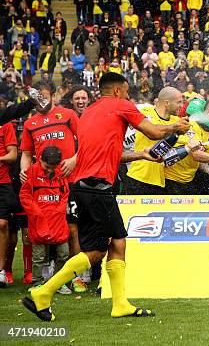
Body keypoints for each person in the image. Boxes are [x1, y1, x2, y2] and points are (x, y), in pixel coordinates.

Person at [22, 72, 190, 321]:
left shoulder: (89, 112)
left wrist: (141, 155)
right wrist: (176, 126)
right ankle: (43, 292)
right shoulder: (121, 105)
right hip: (99, 188)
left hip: (85, 187)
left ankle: (120, 304)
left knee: (116, 242)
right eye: (126, 91)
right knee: (99, 250)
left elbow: (110, 153)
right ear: (117, 91)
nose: (128, 96)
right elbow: (154, 132)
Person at [19, 146, 70, 292]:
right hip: (38, 223)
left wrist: (58, 211)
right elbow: (25, 196)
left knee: (64, 254)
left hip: (58, 222)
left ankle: (58, 282)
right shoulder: (31, 173)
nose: (50, 170)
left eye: (53, 168)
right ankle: (37, 283)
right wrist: (38, 214)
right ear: (39, 159)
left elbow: (65, 193)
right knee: (39, 257)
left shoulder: (61, 172)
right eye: (47, 167)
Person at [0, 117, 18, 287]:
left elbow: (13, 154)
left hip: (3, 182)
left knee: (3, 224)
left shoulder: (5, 124)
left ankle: (1, 271)